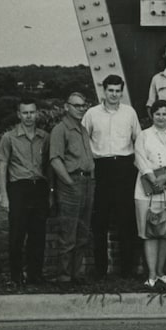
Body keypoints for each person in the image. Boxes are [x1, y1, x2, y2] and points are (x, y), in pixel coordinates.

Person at [82, 74, 141, 280]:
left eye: (118, 91)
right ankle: (100, 270)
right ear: (104, 91)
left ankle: (127, 271)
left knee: (127, 220)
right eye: (111, 91)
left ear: (121, 92)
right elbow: (83, 140)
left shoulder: (129, 113)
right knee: (100, 222)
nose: (114, 95)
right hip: (101, 168)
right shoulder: (91, 114)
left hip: (124, 168)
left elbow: (138, 141)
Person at [0, 98, 50, 286]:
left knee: (38, 234)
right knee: (17, 234)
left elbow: (49, 166)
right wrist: (4, 196)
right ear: (19, 114)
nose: (29, 116)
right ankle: (16, 276)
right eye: (25, 113)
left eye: (32, 112)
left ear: (37, 113)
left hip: (39, 187)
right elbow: (2, 167)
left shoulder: (44, 137)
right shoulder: (9, 138)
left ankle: (35, 275)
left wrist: (50, 192)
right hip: (19, 187)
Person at [134, 100, 166, 288]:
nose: (161, 117)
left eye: (165, 114)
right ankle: (151, 274)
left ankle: (161, 271)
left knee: (165, 232)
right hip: (147, 190)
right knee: (150, 233)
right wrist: (152, 178)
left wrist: (165, 178)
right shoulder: (143, 136)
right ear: (152, 115)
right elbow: (140, 159)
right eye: (157, 114)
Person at [49, 92, 95, 284]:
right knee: (68, 233)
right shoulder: (61, 129)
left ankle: (77, 274)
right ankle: (64, 277)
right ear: (66, 107)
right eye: (76, 105)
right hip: (71, 184)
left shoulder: (82, 129)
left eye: (83, 105)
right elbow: (55, 159)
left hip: (87, 183)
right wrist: (68, 182)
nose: (81, 109)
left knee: (82, 232)